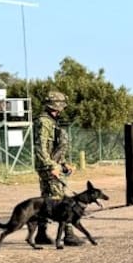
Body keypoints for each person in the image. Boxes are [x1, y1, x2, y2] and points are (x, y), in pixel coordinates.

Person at [32, 90, 81, 246]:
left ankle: (41, 234)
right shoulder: (44, 122)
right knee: (61, 201)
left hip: (51, 165)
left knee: (46, 201)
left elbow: (53, 146)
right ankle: (68, 235)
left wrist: (63, 163)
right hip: (49, 167)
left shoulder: (51, 121)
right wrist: (51, 166)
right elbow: (40, 147)